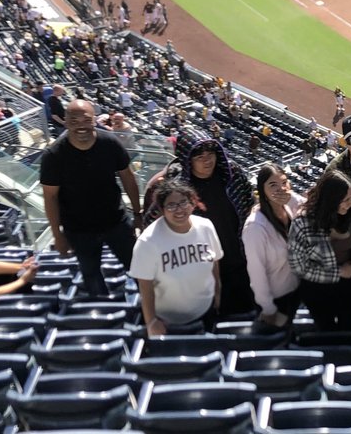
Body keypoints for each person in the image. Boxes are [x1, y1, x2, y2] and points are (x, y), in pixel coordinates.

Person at [143, 129, 257, 315]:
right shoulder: (174, 186)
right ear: (187, 159)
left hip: (238, 259)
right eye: (200, 156)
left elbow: (249, 202)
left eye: (210, 154)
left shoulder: (232, 174)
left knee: (245, 312)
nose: (207, 160)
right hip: (198, 269)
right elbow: (152, 223)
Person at [41, 99, 142, 297]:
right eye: (73, 120)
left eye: (85, 120)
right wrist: (57, 235)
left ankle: (150, 309)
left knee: (138, 268)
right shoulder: (53, 155)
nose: (80, 125)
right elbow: (50, 197)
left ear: (94, 120)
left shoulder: (110, 143)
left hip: (115, 221)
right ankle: (105, 315)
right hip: (78, 229)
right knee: (91, 274)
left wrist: (138, 214)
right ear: (65, 121)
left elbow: (128, 179)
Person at [131, 179, 223, 335]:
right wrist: (151, 321)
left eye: (183, 202)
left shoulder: (206, 226)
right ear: (162, 209)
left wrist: (218, 293)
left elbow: (214, 263)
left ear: (192, 203)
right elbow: (145, 286)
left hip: (205, 312)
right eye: (171, 205)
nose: (179, 209)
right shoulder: (148, 241)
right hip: (167, 322)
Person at [288, 170, 351, 331]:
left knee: (350, 329)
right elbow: (297, 266)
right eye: (345, 200)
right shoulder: (303, 222)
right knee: (326, 331)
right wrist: (338, 273)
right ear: (331, 200)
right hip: (318, 290)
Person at [243, 163, 303, 328]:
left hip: (296, 292)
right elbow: (256, 272)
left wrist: (291, 196)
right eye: (273, 185)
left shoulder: (290, 207)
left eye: (284, 182)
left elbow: (310, 206)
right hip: (275, 301)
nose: (281, 188)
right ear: (263, 190)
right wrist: (268, 308)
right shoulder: (255, 226)